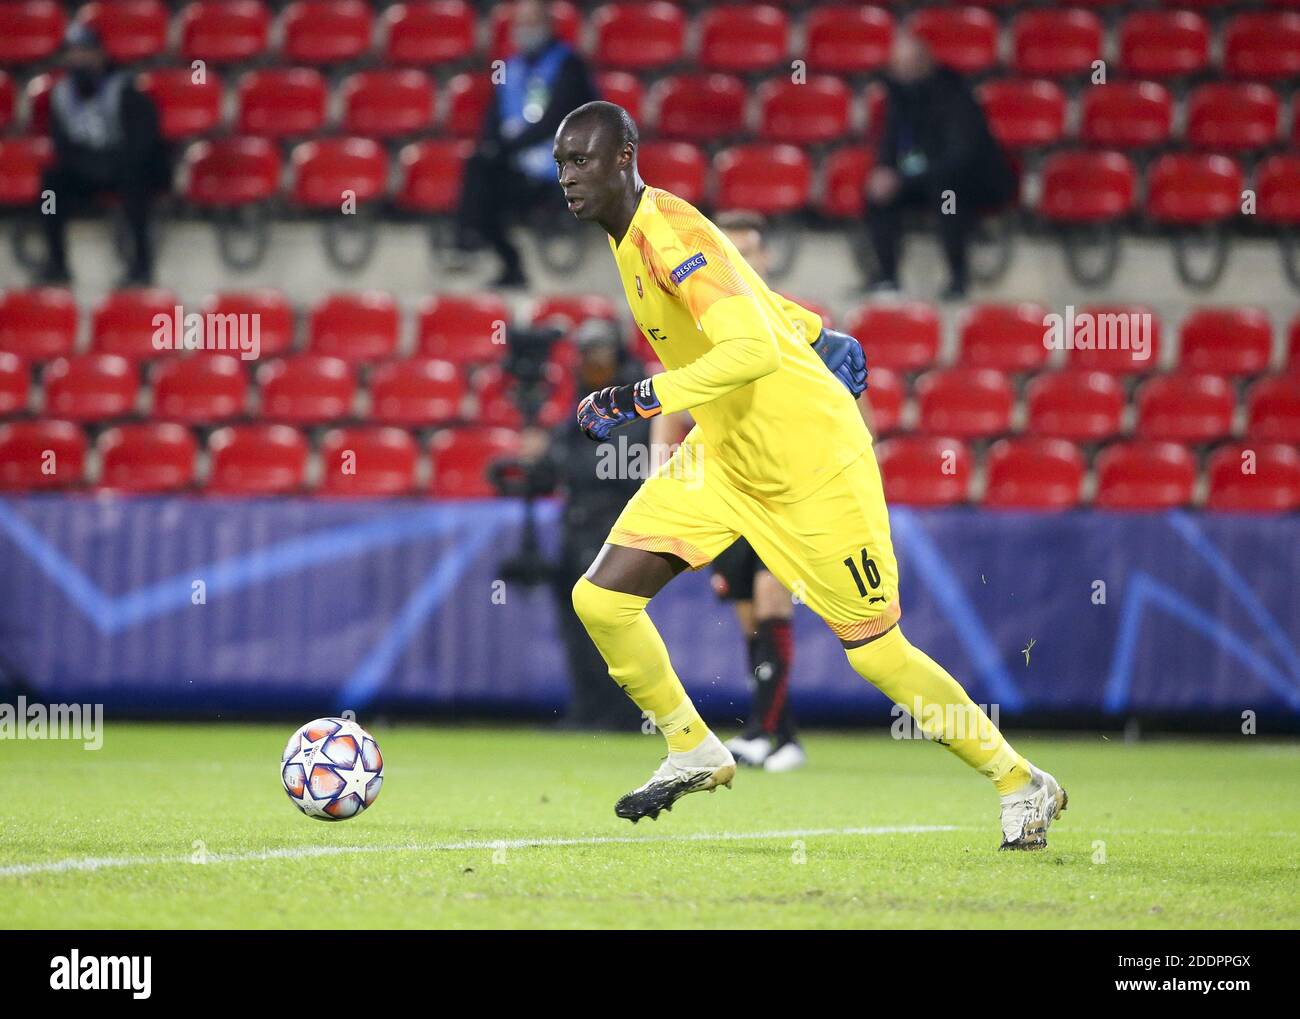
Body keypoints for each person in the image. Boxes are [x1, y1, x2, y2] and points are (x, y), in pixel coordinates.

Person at [554, 101, 1067, 850]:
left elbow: (749, 351)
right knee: (601, 598)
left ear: (626, 155)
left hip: (811, 464)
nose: (569, 177)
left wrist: (640, 396)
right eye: (563, 163)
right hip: (727, 457)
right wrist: (817, 330)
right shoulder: (640, 234)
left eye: (585, 160)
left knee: (879, 653)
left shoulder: (667, 233)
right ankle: (693, 745)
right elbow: (754, 311)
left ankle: (1020, 781)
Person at [649, 210, 876, 773]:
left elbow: (851, 398)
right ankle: (785, 737)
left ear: (767, 259)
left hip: (791, 488)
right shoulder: (699, 322)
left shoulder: (793, 321)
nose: (745, 260)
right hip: (730, 486)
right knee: (751, 619)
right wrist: (662, 471)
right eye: (735, 250)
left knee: (775, 601)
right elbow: (669, 398)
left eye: (753, 250)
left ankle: (758, 732)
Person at [534, 320, 648, 730]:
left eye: (600, 352)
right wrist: (536, 459)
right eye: (586, 354)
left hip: (614, 527)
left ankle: (620, 713)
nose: (592, 362)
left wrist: (564, 459)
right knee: (575, 626)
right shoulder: (583, 404)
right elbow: (553, 469)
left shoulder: (637, 402)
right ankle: (587, 708)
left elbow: (620, 467)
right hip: (577, 527)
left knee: (608, 622)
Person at [454, 0, 598, 288]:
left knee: (488, 176)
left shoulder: (569, 65)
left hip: (562, 171)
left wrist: (509, 147)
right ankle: (490, 254)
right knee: (479, 167)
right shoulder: (510, 68)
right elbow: (492, 120)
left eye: (531, 23)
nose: (524, 31)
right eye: (520, 24)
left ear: (547, 26)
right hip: (519, 166)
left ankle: (474, 241)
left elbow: (560, 118)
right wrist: (494, 148)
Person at [866, 30, 1014, 300]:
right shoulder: (897, 97)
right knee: (878, 193)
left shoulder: (954, 95)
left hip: (969, 180)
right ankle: (887, 278)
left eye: (908, 67)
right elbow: (890, 141)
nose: (901, 75)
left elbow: (958, 158)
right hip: (919, 176)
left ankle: (958, 279)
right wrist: (885, 171)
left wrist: (903, 178)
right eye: (897, 68)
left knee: (947, 194)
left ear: (925, 63)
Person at [37, 23, 167, 287]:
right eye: (73, 52)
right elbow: (62, 147)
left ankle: (141, 265)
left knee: (135, 180)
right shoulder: (61, 95)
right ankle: (57, 262)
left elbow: (142, 145)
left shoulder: (125, 91)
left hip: (123, 167)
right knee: (49, 186)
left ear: (100, 55)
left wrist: (109, 163)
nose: (78, 59)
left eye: (85, 51)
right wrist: (87, 164)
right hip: (86, 168)